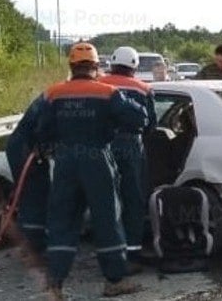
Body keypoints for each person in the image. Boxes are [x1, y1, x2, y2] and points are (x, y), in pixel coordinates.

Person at [37, 42, 150, 299]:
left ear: (71, 66)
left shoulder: (53, 93)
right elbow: (139, 119)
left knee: (62, 220)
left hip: (65, 161)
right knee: (107, 218)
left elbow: (42, 128)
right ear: (96, 66)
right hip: (97, 159)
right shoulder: (108, 93)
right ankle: (114, 280)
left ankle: (55, 284)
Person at [98, 46, 158, 270]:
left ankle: (109, 250)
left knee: (106, 198)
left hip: (102, 146)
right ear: (134, 66)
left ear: (112, 63)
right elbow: (151, 124)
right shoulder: (143, 88)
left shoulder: (99, 84)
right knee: (133, 196)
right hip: (131, 145)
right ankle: (132, 251)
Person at [4, 94, 49, 267]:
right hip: (26, 149)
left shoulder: (57, 94)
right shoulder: (61, 98)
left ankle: (35, 245)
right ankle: (33, 248)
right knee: (34, 195)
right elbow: (45, 127)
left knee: (38, 193)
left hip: (28, 146)